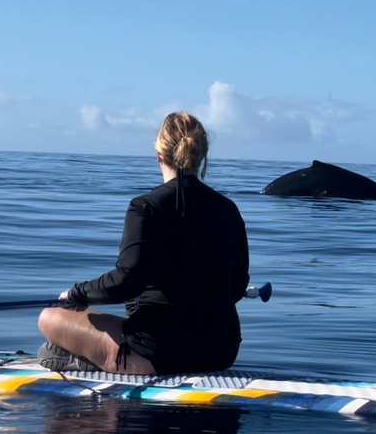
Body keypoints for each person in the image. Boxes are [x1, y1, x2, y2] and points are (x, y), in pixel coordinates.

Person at [37, 111, 251, 375]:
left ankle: (94, 359)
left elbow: (127, 280)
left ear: (159, 156)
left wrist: (76, 294)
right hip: (222, 349)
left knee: (49, 317)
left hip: (157, 351)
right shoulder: (229, 210)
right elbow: (238, 286)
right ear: (201, 156)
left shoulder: (145, 207)